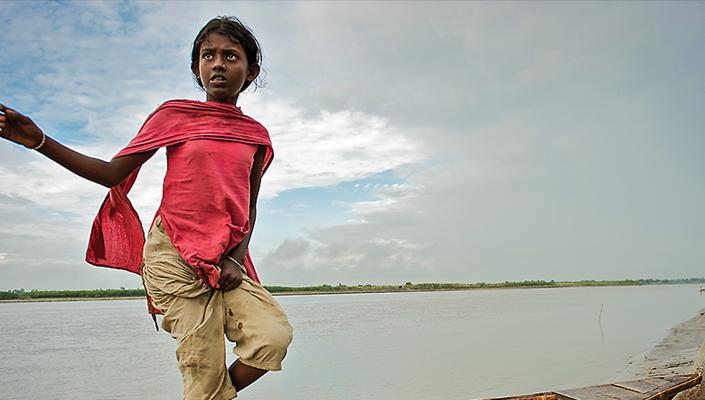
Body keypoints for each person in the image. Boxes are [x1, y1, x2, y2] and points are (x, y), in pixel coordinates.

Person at [0, 16, 293, 400]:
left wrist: (236, 258)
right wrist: (39, 141)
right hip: (173, 256)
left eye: (230, 56)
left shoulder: (256, 136)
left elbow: (248, 208)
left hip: (224, 261)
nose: (218, 64)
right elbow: (110, 174)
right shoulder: (174, 116)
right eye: (208, 56)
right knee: (203, 374)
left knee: (272, 337)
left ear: (251, 71)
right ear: (196, 68)